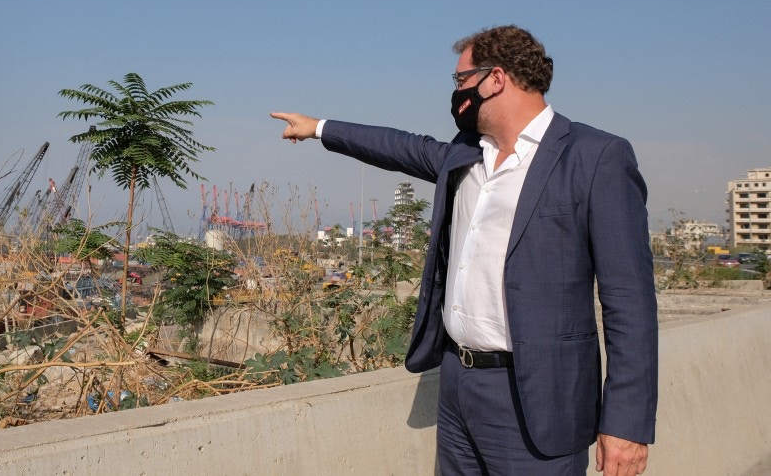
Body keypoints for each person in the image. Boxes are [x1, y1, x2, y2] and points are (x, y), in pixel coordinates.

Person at [271, 25, 657, 476]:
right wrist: (318, 128)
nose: (455, 93)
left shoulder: (595, 157)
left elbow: (629, 302)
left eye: (460, 81)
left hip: (538, 395)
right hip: (457, 384)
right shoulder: (465, 154)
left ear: (494, 79)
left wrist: (626, 424)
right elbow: (399, 147)